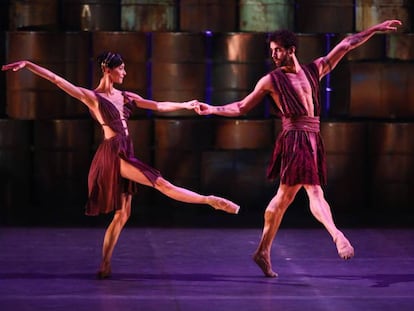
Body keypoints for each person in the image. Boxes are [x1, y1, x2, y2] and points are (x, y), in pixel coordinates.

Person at [2, 52, 240, 279]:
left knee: (123, 214)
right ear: (107, 69)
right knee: (162, 184)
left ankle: (105, 264)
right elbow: (57, 80)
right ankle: (210, 200)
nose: (125, 72)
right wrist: (29, 65)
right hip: (113, 153)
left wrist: (186, 105)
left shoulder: (126, 96)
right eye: (121, 68)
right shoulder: (93, 97)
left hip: (126, 149)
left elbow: (156, 105)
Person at [195, 20, 402, 277]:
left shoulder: (315, 70)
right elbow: (241, 107)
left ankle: (262, 251)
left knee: (283, 199)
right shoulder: (270, 80)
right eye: (271, 51)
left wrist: (374, 29)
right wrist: (212, 109)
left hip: (313, 137)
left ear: (291, 49)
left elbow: (346, 45)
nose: (273, 55)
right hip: (294, 138)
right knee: (313, 191)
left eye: (278, 50)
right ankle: (337, 236)